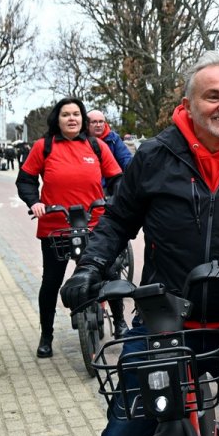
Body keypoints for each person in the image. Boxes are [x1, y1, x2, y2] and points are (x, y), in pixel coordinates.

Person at [60, 52, 219, 436]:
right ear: (188, 105)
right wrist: (89, 268)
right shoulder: (153, 157)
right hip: (163, 324)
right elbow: (118, 222)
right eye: (213, 96)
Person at [15, 97, 122, 359]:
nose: (72, 119)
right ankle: (46, 335)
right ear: (57, 119)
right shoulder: (44, 147)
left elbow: (117, 178)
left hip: (95, 224)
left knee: (109, 271)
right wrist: (35, 202)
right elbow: (25, 180)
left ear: (83, 119)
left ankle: (119, 322)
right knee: (51, 281)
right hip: (55, 226)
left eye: (76, 114)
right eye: (66, 115)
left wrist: (113, 202)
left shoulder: (95, 146)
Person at [86, 109, 133, 339]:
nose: (97, 125)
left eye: (101, 121)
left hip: (110, 193)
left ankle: (120, 321)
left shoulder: (112, 141)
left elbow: (127, 163)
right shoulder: (83, 142)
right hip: (89, 197)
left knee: (113, 262)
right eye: (93, 121)